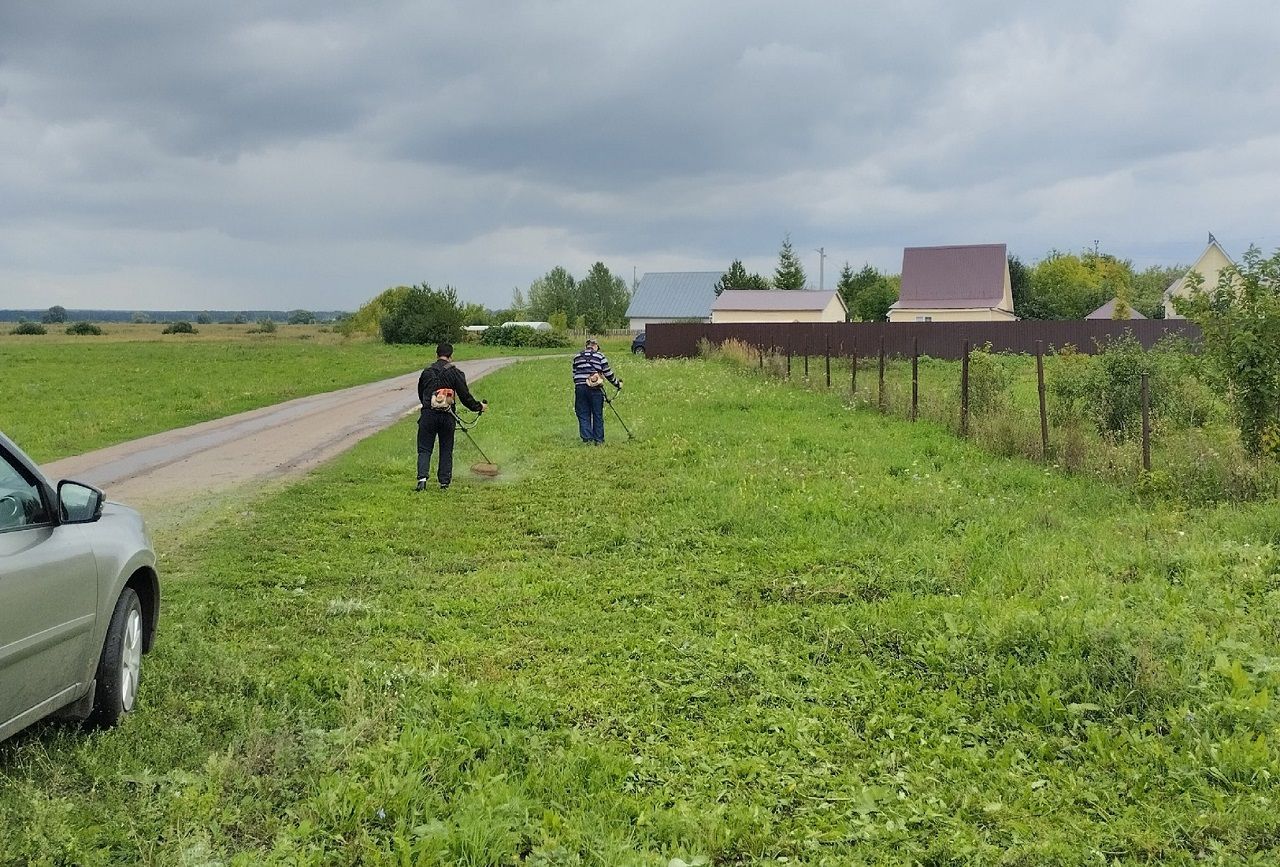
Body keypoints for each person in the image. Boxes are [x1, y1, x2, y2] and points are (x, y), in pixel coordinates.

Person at [416, 342, 485, 490]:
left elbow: (421, 393)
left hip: (428, 415)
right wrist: (479, 407)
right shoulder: (456, 373)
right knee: (446, 448)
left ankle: (422, 480)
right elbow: (465, 397)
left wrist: (428, 406)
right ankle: (444, 483)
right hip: (447, 415)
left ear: (436, 354)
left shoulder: (426, 372)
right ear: (451, 356)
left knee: (424, 448)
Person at [572, 337, 621, 444]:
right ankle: (599, 440)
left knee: (583, 413)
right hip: (595, 389)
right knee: (597, 414)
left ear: (586, 346)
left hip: (580, 388)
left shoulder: (577, 357)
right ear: (595, 346)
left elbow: (574, 374)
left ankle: (587, 439)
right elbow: (608, 374)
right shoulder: (600, 356)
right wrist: (618, 384)